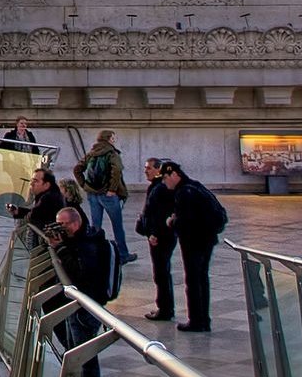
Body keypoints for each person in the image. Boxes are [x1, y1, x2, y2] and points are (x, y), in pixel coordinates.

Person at [45, 206, 112, 377]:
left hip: (85, 307)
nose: (60, 229)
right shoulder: (79, 240)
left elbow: (79, 275)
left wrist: (60, 248)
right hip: (76, 304)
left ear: (76, 224)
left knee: (85, 357)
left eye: (63, 224)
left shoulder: (87, 245)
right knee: (75, 352)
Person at [161, 161, 227, 332]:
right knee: (201, 278)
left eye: (166, 178)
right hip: (207, 239)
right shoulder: (195, 187)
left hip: (194, 241)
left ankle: (197, 320)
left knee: (193, 279)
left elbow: (186, 221)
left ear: (174, 174)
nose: (164, 182)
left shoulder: (185, 192)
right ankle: (203, 319)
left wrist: (172, 222)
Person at [75, 130, 133, 262]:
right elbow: (117, 170)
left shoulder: (91, 153)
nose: (114, 140)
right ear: (108, 139)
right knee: (117, 225)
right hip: (108, 194)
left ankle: (94, 251)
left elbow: (77, 169)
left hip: (92, 193)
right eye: (113, 138)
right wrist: (112, 189)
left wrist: (84, 185)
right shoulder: (112, 153)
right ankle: (123, 254)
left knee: (96, 226)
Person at [135, 156, 177, 321]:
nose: (146, 171)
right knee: (160, 272)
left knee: (161, 272)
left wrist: (154, 233)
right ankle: (165, 307)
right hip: (158, 235)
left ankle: (165, 308)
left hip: (161, 237)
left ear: (158, 170)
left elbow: (159, 214)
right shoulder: (156, 186)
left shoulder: (161, 188)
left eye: (149, 168)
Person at [9, 166, 67, 237]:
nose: (31, 184)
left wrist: (21, 215)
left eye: (35, 181)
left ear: (46, 185)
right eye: (31, 180)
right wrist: (18, 211)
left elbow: (33, 216)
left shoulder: (48, 198)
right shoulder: (50, 194)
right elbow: (37, 212)